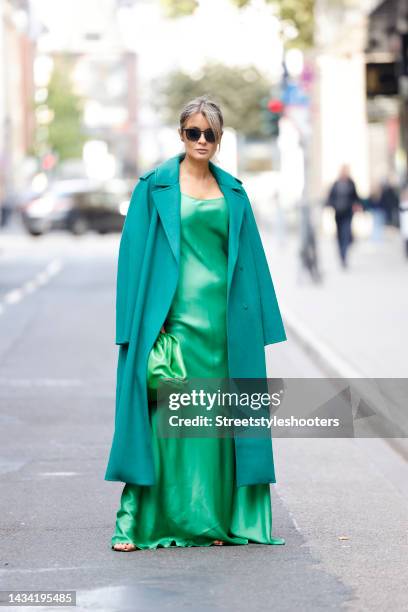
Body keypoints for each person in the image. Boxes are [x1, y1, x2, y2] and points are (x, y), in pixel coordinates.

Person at [107, 95, 287, 551]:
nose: (201, 140)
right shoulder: (154, 186)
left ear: (220, 138)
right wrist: (136, 328)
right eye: (193, 132)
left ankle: (214, 521)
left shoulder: (234, 191)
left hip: (225, 326)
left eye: (210, 133)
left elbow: (249, 261)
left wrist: (260, 324)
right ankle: (139, 522)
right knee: (166, 420)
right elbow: (131, 260)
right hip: (175, 322)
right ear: (181, 134)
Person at [325, 164, 362, 268]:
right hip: (338, 213)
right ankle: (341, 254)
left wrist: (357, 205)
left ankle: (344, 255)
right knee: (340, 235)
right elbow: (330, 197)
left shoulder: (351, 183)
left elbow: (356, 196)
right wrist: (331, 205)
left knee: (346, 234)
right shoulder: (336, 184)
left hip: (348, 213)